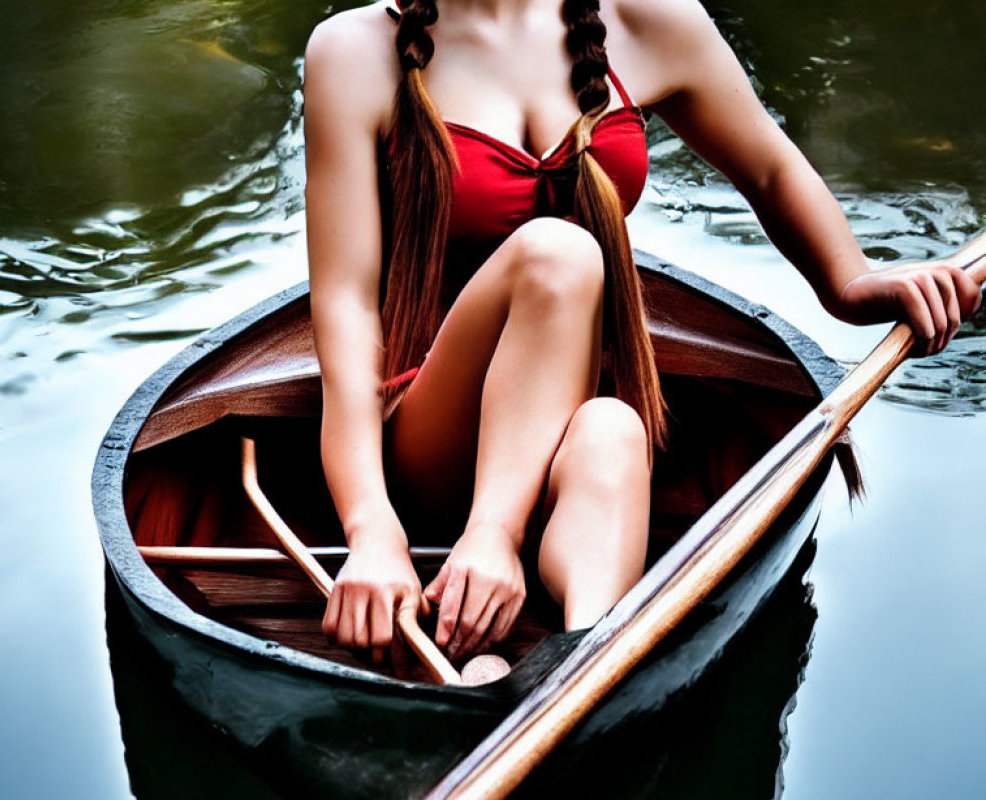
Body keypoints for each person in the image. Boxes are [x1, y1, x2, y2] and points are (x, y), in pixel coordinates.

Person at [302, 0, 981, 665]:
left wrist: (850, 283)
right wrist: (371, 529)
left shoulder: (648, 19)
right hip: (436, 444)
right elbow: (346, 307)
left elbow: (769, 167)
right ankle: (491, 543)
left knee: (614, 431)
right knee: (558, 253)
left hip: (580, 425)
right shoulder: (355, 50)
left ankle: (566, 670)